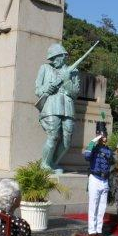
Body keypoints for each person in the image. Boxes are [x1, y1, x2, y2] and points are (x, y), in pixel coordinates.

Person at [36, 43, 81, 173]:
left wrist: (67, 80)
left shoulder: (74, 71)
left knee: (67, 142)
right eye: (51, 58)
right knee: (53, 136)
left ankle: (53, 163)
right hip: (51, 105)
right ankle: (44, 164)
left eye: (55, 58)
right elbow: (38, 89)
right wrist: (47, 88)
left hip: (67, 106)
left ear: (62, 56)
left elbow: (75, 93)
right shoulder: (45, 68)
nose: (52, 61)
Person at [84, 122, 113, 236]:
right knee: (93, 205)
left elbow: (111, 161)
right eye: (102, 135)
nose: (104, 138)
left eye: (105, 136)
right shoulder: (93, 147)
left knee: (102, 207)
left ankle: (99, 229)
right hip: (95, 179)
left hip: (104, 180)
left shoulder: (108, 150)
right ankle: (92, 230)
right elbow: (86, 156)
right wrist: (94, 141)